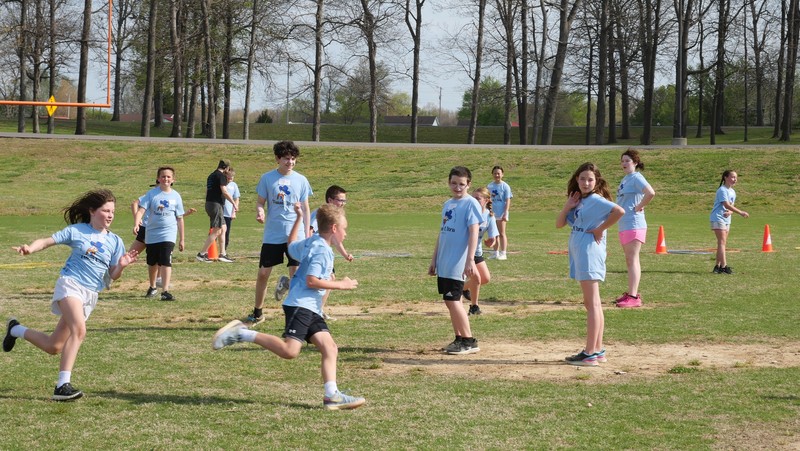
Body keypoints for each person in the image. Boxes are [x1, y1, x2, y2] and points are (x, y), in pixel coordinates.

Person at [212, 203, 365, 410]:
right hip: (300, 305)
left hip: (311, 308)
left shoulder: (312, 242)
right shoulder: (321, 251)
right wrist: (342, 285)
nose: (346, 234)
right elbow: (312, 281)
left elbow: (291, 244)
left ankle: (332, 396)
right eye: (345, 229)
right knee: (290, 351)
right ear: (335, 229)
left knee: (330, 348)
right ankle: (241, 334)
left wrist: (299, 218)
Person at [3, 189, 138, 401]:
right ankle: (62, 386)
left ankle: (16, 329)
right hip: (70, 285)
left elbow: (113, 275)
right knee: (79, 330)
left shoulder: (116, 242)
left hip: (90, 294)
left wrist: (121, 266)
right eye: (106, 210)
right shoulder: (77, 231)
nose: (110, 215)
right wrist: (30, 248)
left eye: (113, 211)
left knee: (53, 346)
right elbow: (48, 241)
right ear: (92, 211)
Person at [556, 163, 624, 367]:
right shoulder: (580, 201)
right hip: (580, 253)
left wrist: (600, 229)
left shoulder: (595, 199)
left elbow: (619, 211)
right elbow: (559, 223)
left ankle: (590, 352)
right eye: (583, 179)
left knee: (593, 304)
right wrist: (568, 205)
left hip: (589, 254)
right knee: (591, 304)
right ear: (577, 179)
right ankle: (597, 350)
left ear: (597, 182)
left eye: (590, 179)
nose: (586, 183)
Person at [248, 141, 312, 324]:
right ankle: (258, 312)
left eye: (293, 159)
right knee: (263, 273)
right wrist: (260, 210)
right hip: (273, 234)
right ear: (277, 159)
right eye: (286, 159)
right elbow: (260, 202)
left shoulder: (301, 180)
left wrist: (307, 233)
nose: (290, 162)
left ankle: (294, 314)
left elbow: (306, 208)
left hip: (296, 235)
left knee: (296, 274)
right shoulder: (267, 178)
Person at [429, 166, 482, 355]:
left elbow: (474, 232)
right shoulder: (447, 204)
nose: (457, 187)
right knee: (449, 300)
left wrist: (470, 260)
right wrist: (434, 259)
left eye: (461, 184)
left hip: (458, 261)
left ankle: (469, 341)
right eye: (454, 183)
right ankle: (459, 338)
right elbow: (441, 234)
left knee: (453, 300)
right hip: (444, 261)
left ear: (468, 184)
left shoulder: (470, 204)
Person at [133, 166, 186, 301]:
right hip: (152, 234)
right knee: (152, 263)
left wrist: (182, 239)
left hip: (168, 233)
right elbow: (141, 210)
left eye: (168, 176)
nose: (165, 179)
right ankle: (152, 287)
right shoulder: (151, 194)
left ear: (173, 179)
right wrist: (136, 223)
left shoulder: (176, 196)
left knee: (166, 260)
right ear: (158, 178)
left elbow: (180, 218)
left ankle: (165, 291)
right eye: (163, 176)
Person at [614, 149, 656, 308]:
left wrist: (639, 206)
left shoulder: (637, 177)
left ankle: (633, 296)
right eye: (622, 161)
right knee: (629, 259)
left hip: (634, 223)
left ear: (635, 163)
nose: (624, 164)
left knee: (632, 259)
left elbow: (650, 193)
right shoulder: (626, 179)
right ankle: (631, 293)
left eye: (627, 161)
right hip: (624, 224)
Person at [310, 185, 354, 320]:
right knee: (323, 279)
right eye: (340, 200)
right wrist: (309, 249)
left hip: (324, 252)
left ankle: (318, 310)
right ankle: (316, 311)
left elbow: (336, 239)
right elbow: (310, 230)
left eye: (344, 201)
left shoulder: (335, 216)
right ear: (330, 200)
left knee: (330, 277)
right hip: (316, 252)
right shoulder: (321, 214)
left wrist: (345, 254)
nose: (342, 204)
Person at [464, 186, 498, 316]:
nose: (474, 201)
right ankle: (474, 307)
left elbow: (492, 238)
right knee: (476, 278)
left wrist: (491, 242)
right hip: (464, 251)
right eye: (473, 198)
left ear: (487, 200)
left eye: (477, 198)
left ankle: (461, 288)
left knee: (485, 279)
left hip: (476, 252)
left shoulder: (489, 216)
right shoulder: (468, 212)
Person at [196, 159, 236, 263]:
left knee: (223, 228)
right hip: (216, 204)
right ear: (226, 168)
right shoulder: (220, 176)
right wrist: (233, 202)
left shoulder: (212, 175)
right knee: (217, 230)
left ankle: (223, 254)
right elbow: (224, 192)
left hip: (210, 203)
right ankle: (202, 253)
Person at [711, 170, 749, 274]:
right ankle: (724, 266)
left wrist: (731, 212)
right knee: (722, 243)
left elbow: (730, 207)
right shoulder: (722, 190)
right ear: (725, 178)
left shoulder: (732, 191)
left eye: (736, 178)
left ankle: (717, 266)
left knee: (722, 243)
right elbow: (726, 204)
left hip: (726, 219)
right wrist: (740, 212)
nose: (735, 179)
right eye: (732, 177)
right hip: (718, 218)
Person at [487, 165, 513, 260]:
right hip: (492, 213)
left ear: (502, 174)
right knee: (494, 233)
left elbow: (508, 200)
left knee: (502, 233)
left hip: (501, 212)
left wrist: (506, 212)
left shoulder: (505, 186)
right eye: (495, 173)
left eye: (498, 173)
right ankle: (495, 253)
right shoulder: (490, 186)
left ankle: (503, 253)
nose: (496, 175)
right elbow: (487, 199)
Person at [222, 168, 241, 255]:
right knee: (215, 231)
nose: (230, 179)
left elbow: (236, 198)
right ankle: (211, 251)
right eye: (229, 177)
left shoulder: (234, 185)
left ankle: (223, 251)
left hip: (228, 213)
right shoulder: (222, 184)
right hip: (220, 211)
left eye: (232, 177)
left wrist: (234, 212)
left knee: (226, 233)